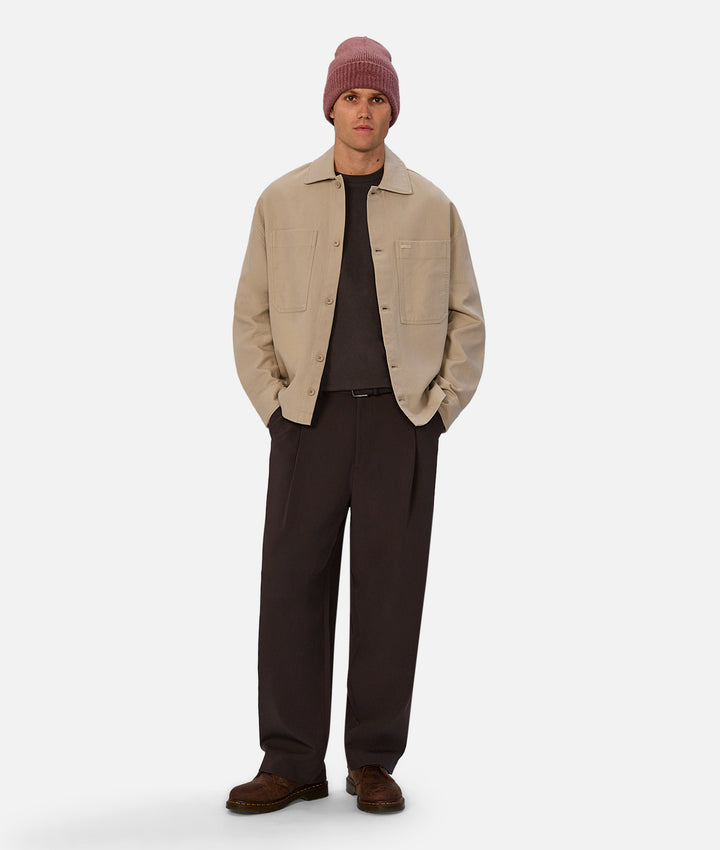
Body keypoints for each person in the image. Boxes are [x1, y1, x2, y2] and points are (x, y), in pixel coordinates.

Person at [226, 36, 485, 815]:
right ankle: (291, 760)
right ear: (330, 107)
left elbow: (467, 321)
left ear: (392, 110)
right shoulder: (280, 201)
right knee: (291, 589)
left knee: (391, 593)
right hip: (308, 422)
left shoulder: (433, 206)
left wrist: (436, 412)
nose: (363, 111)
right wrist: (276, 408)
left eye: (376, 98)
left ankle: (372, 761)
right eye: (351, 97)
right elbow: (250, 317)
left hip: (400, 426)